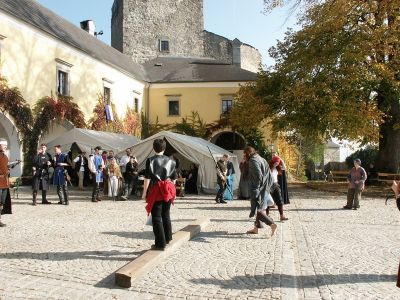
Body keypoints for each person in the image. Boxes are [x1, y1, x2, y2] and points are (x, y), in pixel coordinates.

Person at [142, 139, 177, 250]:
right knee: (166, 214)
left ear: (154, 148)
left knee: (156, 217)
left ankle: (160, 243)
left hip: (156, 189)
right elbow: (174, 178)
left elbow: (147, 178)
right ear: (164, 148)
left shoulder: (150, 160)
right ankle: (168, 238)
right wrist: (172, 191)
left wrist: (144, 193)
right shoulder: (171, 160)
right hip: (168, 188)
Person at [245, 146, 277, 236]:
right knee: (260, 208)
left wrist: (256, 189)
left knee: (258, 210)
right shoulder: (261, 158)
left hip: (259, 188)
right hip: (265, 187)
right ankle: (256, 229)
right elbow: (269, 174)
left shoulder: (253, 160)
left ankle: (272, 224)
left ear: (248, 153)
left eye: (245, 154)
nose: (244, 156)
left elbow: (258, 175)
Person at [268, 156, 289, 221]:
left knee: (279, 200)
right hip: (268, 185)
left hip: (275, 184)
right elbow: (268, 174)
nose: (277, 163)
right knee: (268, 201)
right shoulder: (268, 167)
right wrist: (273, 166)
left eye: (278, 162)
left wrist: (281, 159)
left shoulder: (278, 168)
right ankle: (266, 215)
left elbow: (285, 168)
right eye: (276, 162)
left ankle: (282, 216)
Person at [0, 138, 10, 227]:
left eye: (6, 146)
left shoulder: (5, 156)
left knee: (2, 201)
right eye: (4, 145)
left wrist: (8, 169)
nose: (6, 147)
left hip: (4, 183)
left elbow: (5, 167)